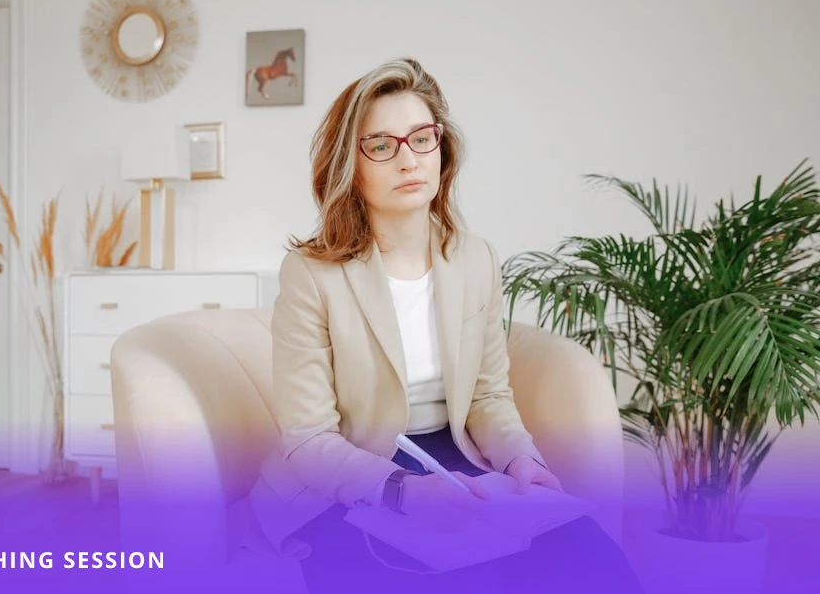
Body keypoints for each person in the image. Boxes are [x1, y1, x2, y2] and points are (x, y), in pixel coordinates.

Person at [245, 58, 643, 594]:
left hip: (456, 458)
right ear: (351, 166)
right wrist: (403, 492)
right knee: (447, 575)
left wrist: (521, 460)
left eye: (422, 138)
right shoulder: (313, 274)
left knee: (593, 556)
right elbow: (309, 437)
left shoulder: (475, 259)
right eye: (381, 145)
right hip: (350, 478)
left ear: (442, 150)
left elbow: (488, 395)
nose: (407, 159)